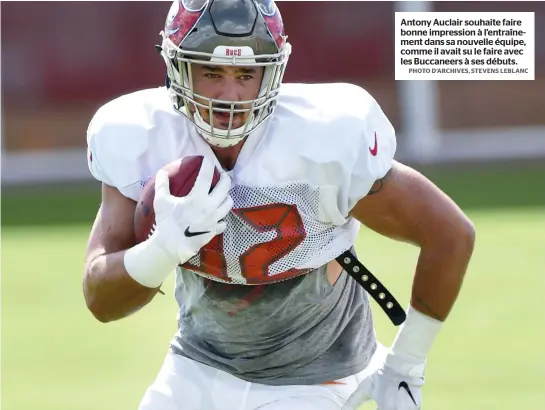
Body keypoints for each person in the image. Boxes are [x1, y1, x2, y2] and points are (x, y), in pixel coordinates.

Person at [83, 0, 475, 409]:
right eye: (210, 72)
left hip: (318, 376)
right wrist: (160, 250)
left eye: (246, 74)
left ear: (272, 73)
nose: (228, 95)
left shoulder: (325, 138)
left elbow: (449, 235)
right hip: (197, 363)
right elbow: (101, 299)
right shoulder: (141, 137)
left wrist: (406, 366)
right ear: (176, 66)